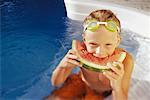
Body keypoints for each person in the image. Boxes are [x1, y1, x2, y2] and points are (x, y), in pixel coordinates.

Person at [45, 9, 134, 100]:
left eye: (108, 45)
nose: (100, 52)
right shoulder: (79, 52)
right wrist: (62, 66)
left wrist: (117, 85)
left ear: (118, 41)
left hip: (103, 93)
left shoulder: (126, 60)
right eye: (93, 44)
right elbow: (55, 83)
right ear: (84, 39)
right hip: (80, 82)